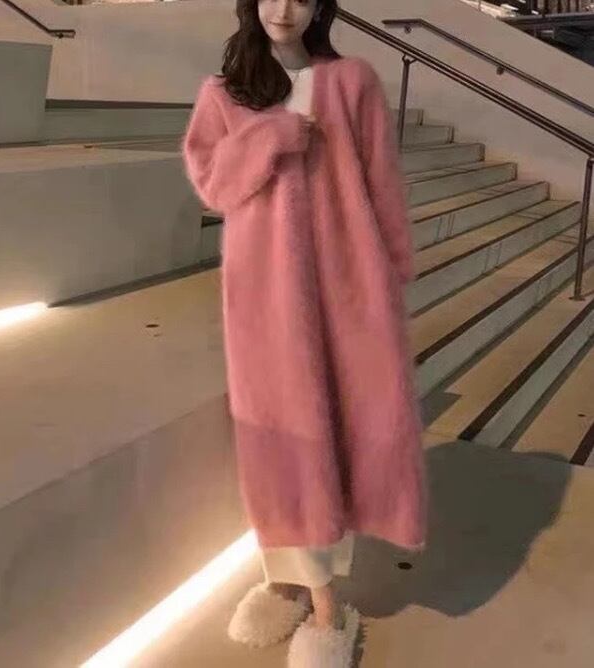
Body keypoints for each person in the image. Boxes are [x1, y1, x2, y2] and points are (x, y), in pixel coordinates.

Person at [183, 0, 427, 665]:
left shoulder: (353, 81)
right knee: (283, 441)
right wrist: (271, 136)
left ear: (321, 5)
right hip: (265, 295)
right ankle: (296, 588)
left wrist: (393, 270)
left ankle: (323, 605)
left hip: (348, 284)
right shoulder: (224, 91)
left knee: (342, 432)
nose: (283, 8)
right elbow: (212, 184)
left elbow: (382, 182)